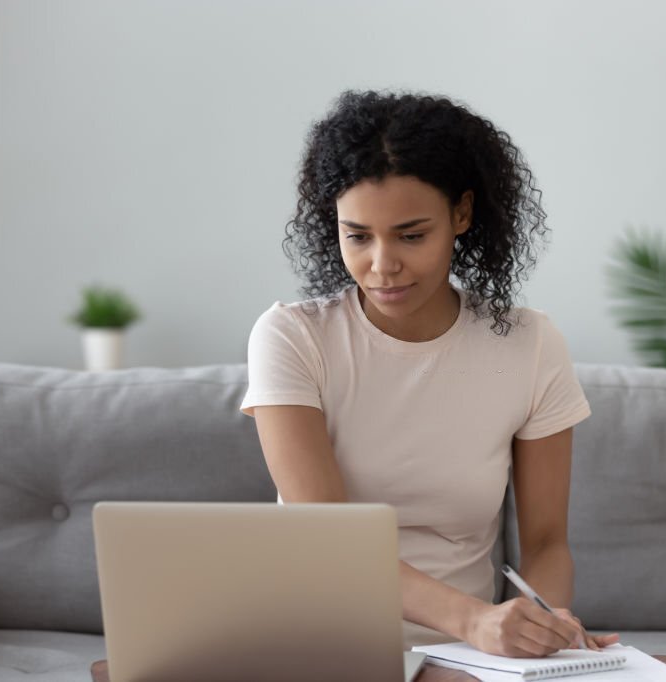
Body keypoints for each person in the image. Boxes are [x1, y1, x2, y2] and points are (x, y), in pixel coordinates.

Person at [239, 89, 620, 657]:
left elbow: (544, 543)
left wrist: (546, 630)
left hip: (470, 661)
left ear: (462, 214)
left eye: (412, 235)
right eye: (358, 236)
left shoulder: (529, 345)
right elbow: (328, 536)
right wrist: (475, 622)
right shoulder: (293, 337)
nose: (382, 264)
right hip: (318, 647)